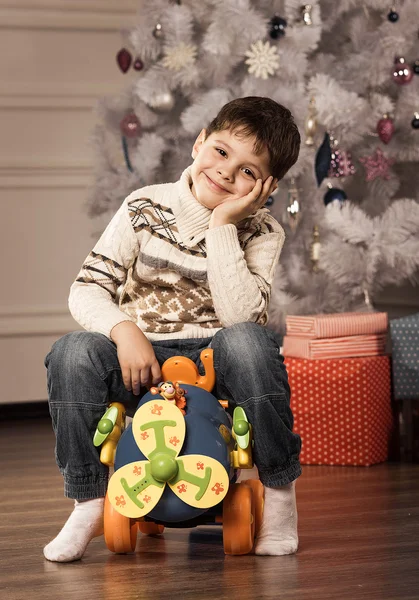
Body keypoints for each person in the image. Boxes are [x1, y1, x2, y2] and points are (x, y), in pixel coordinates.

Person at [43, 96, 302, 562]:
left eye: (247, 170)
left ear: (267, 187)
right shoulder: (143, 206)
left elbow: (242, 316)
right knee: (72, 352)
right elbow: (85, 290)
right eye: (221, 152)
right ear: (200, 142)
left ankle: (280, 494)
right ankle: (89, 500)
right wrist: (124, 331)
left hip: (215, 357)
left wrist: (224, 225)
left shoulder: (262, 230)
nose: (225, 172)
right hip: (138, 359)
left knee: (249, 342)